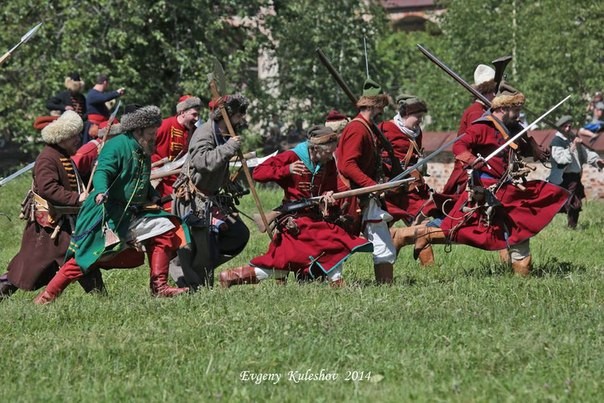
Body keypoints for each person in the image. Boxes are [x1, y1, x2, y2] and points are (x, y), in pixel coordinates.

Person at [33, 105, 190, 304]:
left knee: (165, 229)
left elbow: (140, 179)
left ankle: (159, 287)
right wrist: (100, 191)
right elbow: (102, 172)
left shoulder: (143, 149)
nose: (154, 135)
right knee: (85, 257)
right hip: (105, 211)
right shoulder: (116, 146)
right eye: (151, 131)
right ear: (138, 129)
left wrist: (153, 196)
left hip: (130, 213)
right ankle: (46, 298)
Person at [412, 88, 570, 276]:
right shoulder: (483, 127)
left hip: (507, 188)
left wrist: (534, 149)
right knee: (467, 230)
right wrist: (471, 160)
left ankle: (523, 278)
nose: (519, 115)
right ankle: (425, 234)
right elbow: (460, 146)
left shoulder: (510, 128)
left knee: (519, 228)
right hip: (487, 191)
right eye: (516, 110)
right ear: (503, 108)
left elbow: (519, 148)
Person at [219, 125, 373, 287]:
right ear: (314, 148)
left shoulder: (328, 162)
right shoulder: (293, 156)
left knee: (331, 243)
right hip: (295, 219)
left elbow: (331, 187)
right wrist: (287, 169)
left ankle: (232, 276)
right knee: (329, 242)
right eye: (328, 152)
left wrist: (328, 194)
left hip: (313, 218)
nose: (330, 156)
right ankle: (232, 276)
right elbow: (258, 173)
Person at [0, 111, 104, 299]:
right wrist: (76, 198)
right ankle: (98, 297)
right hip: (49, 226)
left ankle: (101, 298)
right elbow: (48, 189)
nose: (78, 139)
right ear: (63, 137)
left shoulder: (62, 155)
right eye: (75, 136)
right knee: (27, 268)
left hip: (64, 223)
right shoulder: (48, 158)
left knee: (80, 257)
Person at [171, 94, 251, 289]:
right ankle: (190, 283)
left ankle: (197, 272)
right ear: (227, 114)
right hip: (194, 199)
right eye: (239, 114)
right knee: (197, 247)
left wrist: (229, 184)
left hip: (212, 199)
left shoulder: (223, 135)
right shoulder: (205, 133)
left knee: (238, 234)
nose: (242, 119)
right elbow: (202, 162)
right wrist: (229, 148)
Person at [334, 78, 397, 284]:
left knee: (382, 240)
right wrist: (372, 185)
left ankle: (386, 285)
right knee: (336, 243)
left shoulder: (366, 127)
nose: (382, 110)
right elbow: (347, 165)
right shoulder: (358, 129)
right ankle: (330, 284)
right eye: (381, 106)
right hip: (351, 195)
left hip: (364, 195)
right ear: (376, 104)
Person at [379, 94, 447, 266]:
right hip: (389, 190)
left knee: (424, 228)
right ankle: (384, 268)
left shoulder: (417, 133)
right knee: (379, 231)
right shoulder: (385, 128)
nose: (420, 121)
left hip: (412, 189)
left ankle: (430, 270)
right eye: (417, 117)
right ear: (405, 114)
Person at [443, 64, 497, 196]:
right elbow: (473, 142)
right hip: (470, 169)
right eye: (494, 91)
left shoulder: (486, 111)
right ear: (488, 91)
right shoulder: (476, 112)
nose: (496, 95)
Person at [548, 115, 604, 228]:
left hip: (575, 177)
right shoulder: (557, 141)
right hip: (563, 177)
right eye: (565, 126)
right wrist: (572, 146)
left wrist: (596, 160)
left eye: (569, 126)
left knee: (575, 204)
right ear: (560, 127)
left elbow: (585, 153)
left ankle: (572, 227)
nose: (568, 128)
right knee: (563, 203)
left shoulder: (572, 138)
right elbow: (560, 159)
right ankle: (544, 223)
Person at [151, 95, 201, 209]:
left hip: (183, 182)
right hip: (160, 181)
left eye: (198, 114)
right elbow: (145, 147)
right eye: (194, 114)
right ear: (182, 112)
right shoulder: (164, 125)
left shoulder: (195, 132)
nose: (197, 119)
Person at [85, 73, 125, 142]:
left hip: (101, 126)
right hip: (94, 127)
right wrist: (117, 92)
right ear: (105, 82)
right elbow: (104, 98)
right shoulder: (92, 94)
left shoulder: (96, 94)